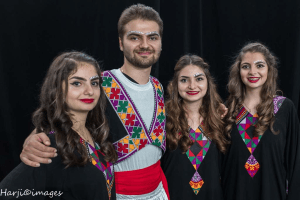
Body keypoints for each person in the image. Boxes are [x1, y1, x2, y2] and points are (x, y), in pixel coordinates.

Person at [18, 4, 169, 200]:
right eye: (134, 37)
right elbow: (59, 116)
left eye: (152, 37)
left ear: (160, 43)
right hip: (117, 193)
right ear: (121, 43)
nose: (145, 44)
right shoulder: (100, 84)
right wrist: (35, 137)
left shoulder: (158, 87)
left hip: (158, 191)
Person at [0, 51, 117, 199]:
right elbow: (7, 193)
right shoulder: (51, 145)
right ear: (57, 89)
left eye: (94, 83)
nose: (89, 91)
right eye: (77, 83)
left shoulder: (96, 133)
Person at [221, 42, 300, 200]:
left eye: (259, 65)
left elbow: (296, 163)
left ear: (269, 69)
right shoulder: (227, 111)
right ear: (239, 71)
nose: (253, 72)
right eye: (246, 66)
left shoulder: (285, 108)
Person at [161, 54, 228, 199]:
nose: (192, 86)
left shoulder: (220, 120)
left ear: (208, 83)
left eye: (199, 79)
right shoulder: (164, 120)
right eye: (184, 80)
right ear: (175, 84)